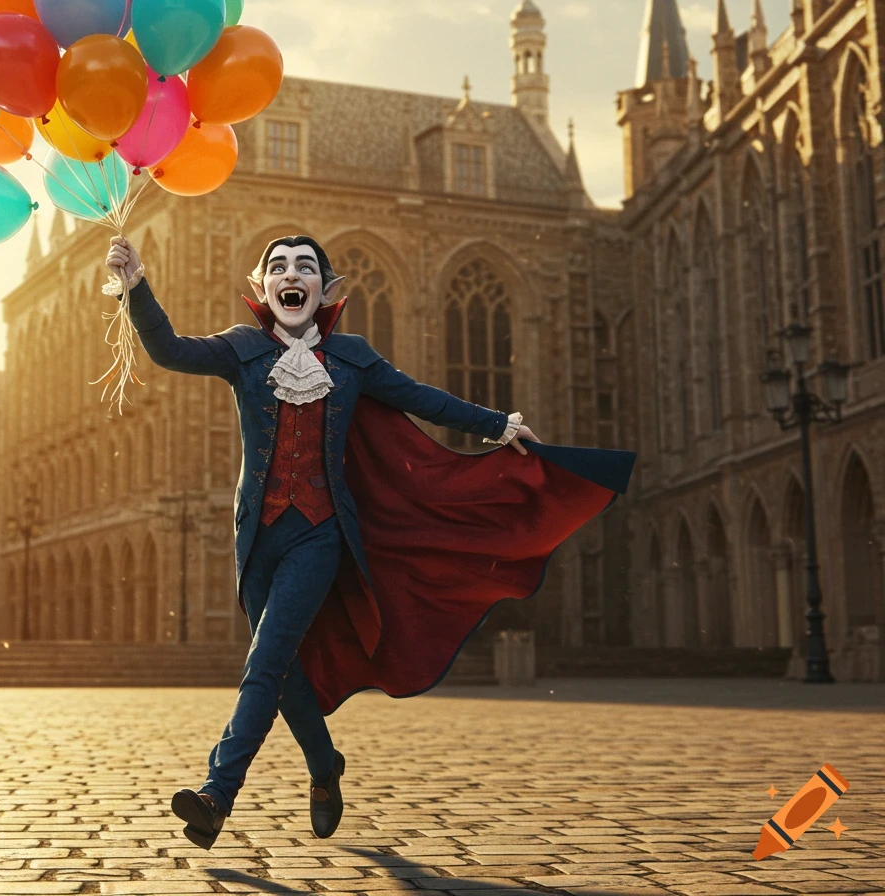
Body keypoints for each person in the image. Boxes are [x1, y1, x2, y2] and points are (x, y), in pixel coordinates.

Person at [104, 233, 633, 849]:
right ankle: (325, 767)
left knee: (265, 661)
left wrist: (497, 425)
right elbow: (168, 350)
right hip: (257, 539)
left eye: (305, 266)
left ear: (327, 290)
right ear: (263, 289)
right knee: (287, 674)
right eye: (277, 268)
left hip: (321, 537)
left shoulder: (353, 358)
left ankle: (217, 794)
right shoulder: (242, 349)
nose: (290, 275)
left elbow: (422, 400)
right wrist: (137, 285)